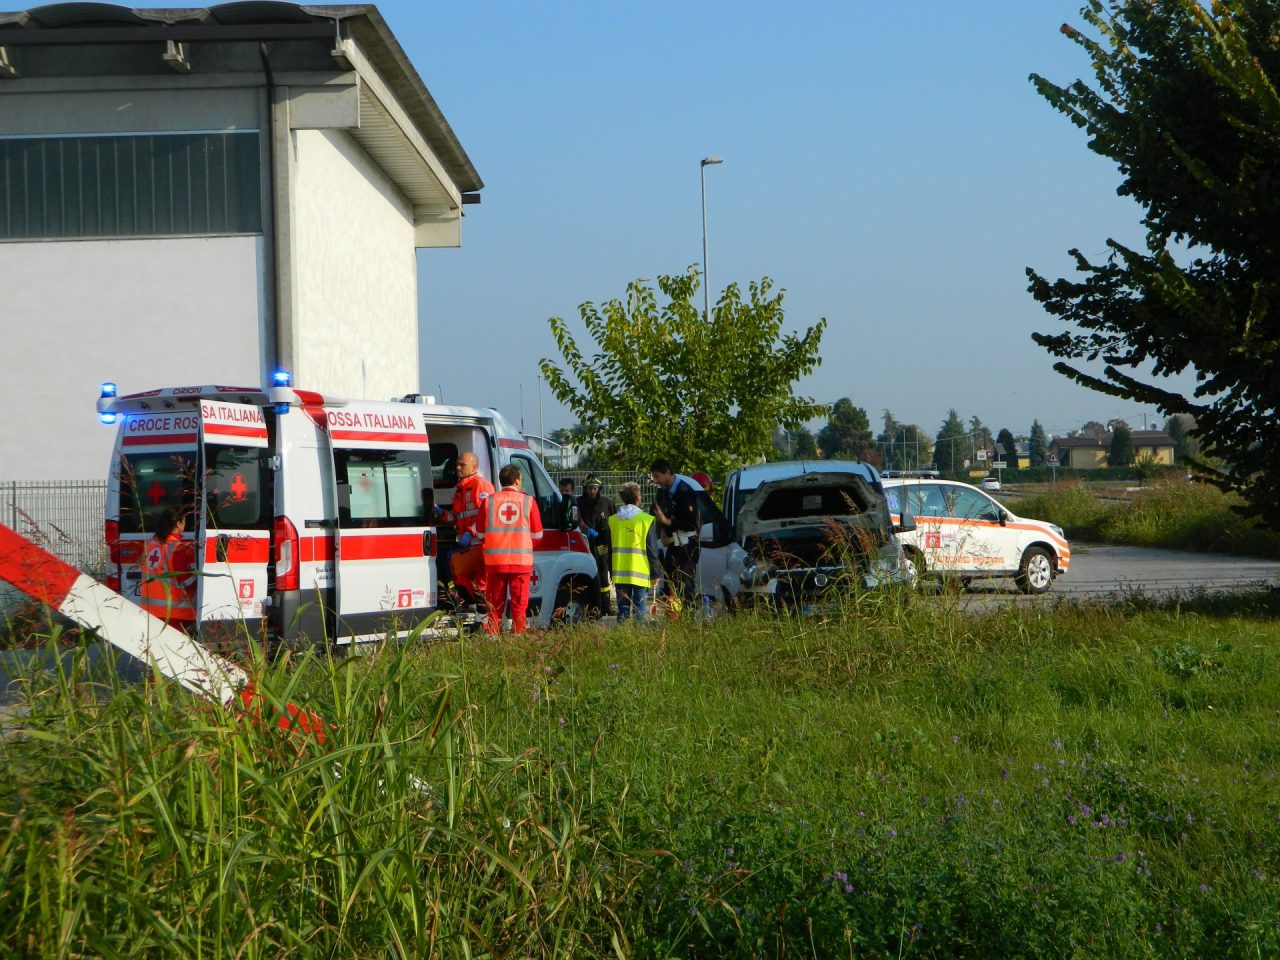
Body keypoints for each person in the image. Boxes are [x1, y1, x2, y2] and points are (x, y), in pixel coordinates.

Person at [476, 464, 543, 635]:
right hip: (521, 563)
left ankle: (492, 638)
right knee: (519, 606)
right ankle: (518, 638)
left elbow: (480, 534)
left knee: (494, 607)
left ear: (501, 481)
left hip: (495, 563)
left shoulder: (488, 501)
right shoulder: (528, 501)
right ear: (517, 480)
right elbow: (537, 536)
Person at [435, 451, 495, 605]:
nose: (458, 468)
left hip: (480, 545)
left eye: (462, 465)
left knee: (480, 585)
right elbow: (455, 517)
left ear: (474, 467)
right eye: (457, 464)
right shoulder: (460, 490)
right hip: (467, 545)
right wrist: (440, 513)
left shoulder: (481, 486)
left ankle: (483, 615)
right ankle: (467, 607)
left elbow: (487, 515)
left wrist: (470, 532)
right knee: (461, 577)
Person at [650, 458, 702, 610]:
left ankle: (689, 617)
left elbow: (691, 523)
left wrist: (667, 522)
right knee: (669, 585)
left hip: (686, 544)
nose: (656, 481)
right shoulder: (663, 492)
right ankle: (674, 617)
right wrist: (662, 530)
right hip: (673, 544)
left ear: (667, 473)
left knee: (685, 587)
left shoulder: (684, 491)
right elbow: (662, 515)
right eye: (653, 477)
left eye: (657, 476)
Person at [607, 481, 660, 621]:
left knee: (622, 611)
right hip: (640, 574)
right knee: (640, 612)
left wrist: (611, 570)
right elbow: (652, 550)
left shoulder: (612, 520)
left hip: (619, 573)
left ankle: (621, 633)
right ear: (637, 497)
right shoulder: (646, 520)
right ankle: (639, 634)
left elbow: (609, 550)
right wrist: (655, 573)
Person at [139, 507, 196, 629]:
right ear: (178, 523)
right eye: (184, 521)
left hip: (149, 613)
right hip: (174, 616)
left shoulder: (149, 544)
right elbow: (188, 582)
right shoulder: (178, 549)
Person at [577, 473, 613, 616]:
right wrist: (587, 530)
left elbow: (614, 520)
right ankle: (591, 607)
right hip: (585, 543)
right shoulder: (579, 503)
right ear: (585, 488)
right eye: (590, 488)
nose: (592, 491)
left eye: (595, 488)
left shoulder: (606, 502)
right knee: (587, 574)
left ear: (599, 489)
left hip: (602, 544)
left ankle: (606, 606)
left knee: (603, 574)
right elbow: (577, 521)